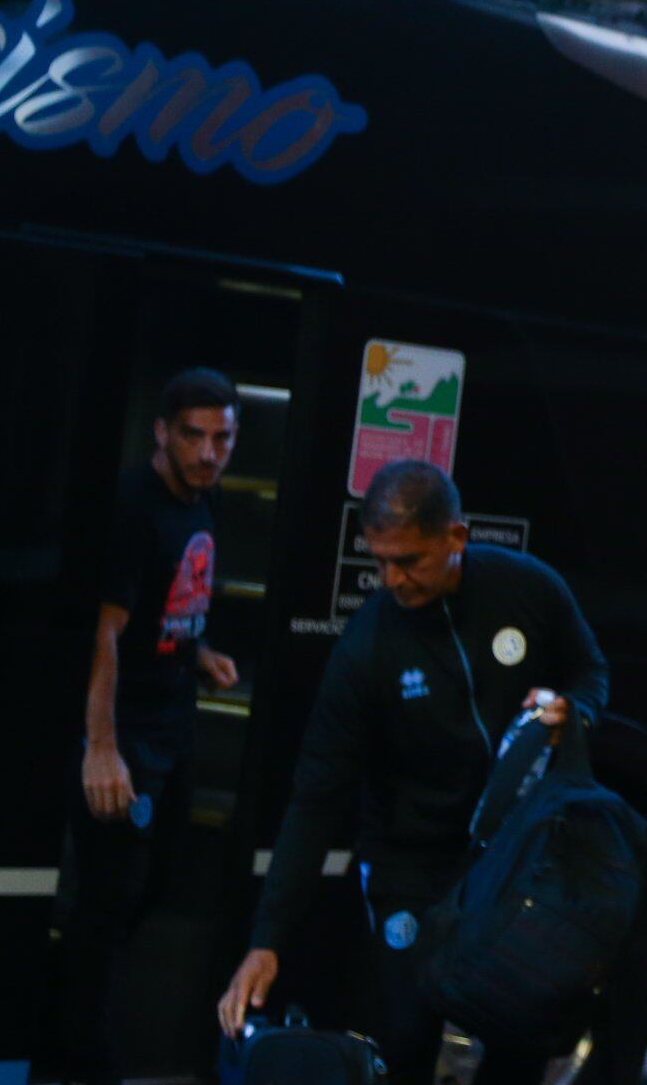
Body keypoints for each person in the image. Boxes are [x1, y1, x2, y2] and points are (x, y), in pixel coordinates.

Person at [216, 460, 611, 1084]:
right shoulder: (366, 646)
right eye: (380, 562)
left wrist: (575, 710)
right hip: (410, 865)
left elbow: (590, 671)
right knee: (405, 1032)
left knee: (520, 1032)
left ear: (455, 538)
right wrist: (267, 940)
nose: (392, 579)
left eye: (410, 561)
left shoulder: (528, 587)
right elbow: (315, 800)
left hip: (512, 858)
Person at [58, 367, 242, 1085]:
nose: (208, 451)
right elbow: (103, 634)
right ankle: (79, 1058)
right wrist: (100, 749)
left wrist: (197, 651)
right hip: (126, 730)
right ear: (162, 431)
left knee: (161, 879)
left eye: (222, 437)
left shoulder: (204, 498)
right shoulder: (133, 504)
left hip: (175, 718)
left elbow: (162, 608)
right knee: (106, 903)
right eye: (193, 435)